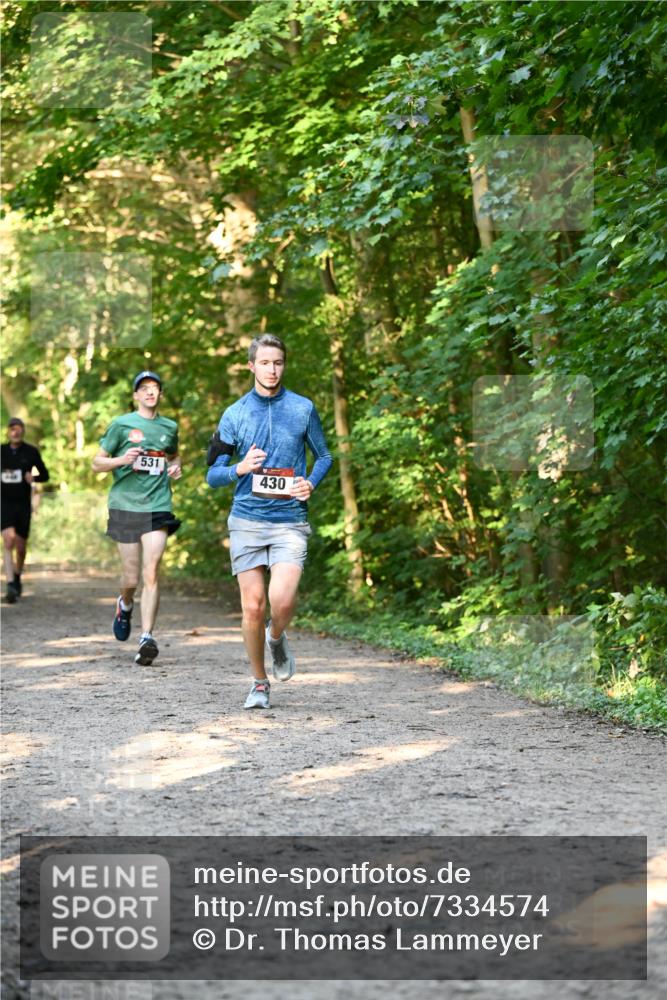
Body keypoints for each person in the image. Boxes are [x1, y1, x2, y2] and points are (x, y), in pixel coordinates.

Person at [207, 334, 333, 709]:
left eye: (277, 363)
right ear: (251, 366)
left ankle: (275, 637)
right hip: (246, 520)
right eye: (264, 363)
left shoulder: (303, 408)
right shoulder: (234, 414)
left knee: (282, 600)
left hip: (289, 520)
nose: (272, 370)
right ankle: (259, 683)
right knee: (253, 606)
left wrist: (311, 482)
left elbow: (324, 456)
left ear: (284, 365)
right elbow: (212, 475)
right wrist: (240, 468)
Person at [92, 371, 181, 665]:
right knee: (131, 577)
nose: (150, 392)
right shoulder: (121, 424)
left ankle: (147, 637)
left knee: (151, 571)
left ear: (160, 394)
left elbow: (174, 455)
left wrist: (175, 467)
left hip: (158, 505)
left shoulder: (169, 427)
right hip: (126, 505)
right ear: (135, 395)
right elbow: (97, 463)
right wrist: (122, 460)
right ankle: (125, 603)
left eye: (155, 388)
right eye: (144, 388)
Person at [1, 417, 50, 603]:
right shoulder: (1, 451)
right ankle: (10, 584)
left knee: (21, 547)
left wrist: (34, 477)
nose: (16, 432)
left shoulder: (31, 452)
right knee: (8, 539)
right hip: (4, 503)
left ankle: (17, 575)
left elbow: (45, 475)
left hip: (22, 504)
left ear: (23, 431)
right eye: (13, 429)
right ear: (8, 432)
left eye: (19, 428)